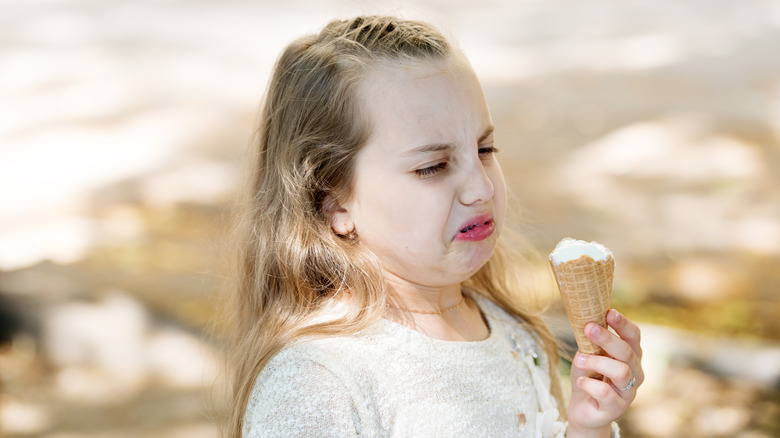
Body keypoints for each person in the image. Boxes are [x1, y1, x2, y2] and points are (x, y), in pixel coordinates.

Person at [224, 15, 643, 438]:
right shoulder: (316, 384)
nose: (480, 187)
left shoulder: (515, 334)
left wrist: (589, 424)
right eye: (432, 167)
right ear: (332, 201)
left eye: (484, 148)